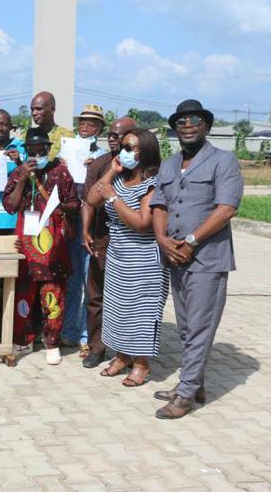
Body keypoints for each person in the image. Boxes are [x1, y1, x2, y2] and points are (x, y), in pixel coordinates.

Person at [150, 99, 243, 419]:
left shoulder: (223, 161)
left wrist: (191, 241)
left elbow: (226, 208)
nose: (187, 127)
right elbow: (159, 203)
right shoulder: (170, 164)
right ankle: (195, 384)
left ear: (206, 126)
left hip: (207, 259)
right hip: (175, 258)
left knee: (201, 327)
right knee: (188, 328)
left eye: (194, 122)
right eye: (181, 123)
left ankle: (186, 395)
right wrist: (162, 240)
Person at [87, 129, 168, 387]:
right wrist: (112, 172)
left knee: (141, 313)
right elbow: (91, 199)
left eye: (129, 147)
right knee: (118, 309)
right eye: (122, 146)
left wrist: (114, 197)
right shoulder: (120, 179)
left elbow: (143, 223)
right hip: (119, 255)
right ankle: (122, 356)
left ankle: (141, 362)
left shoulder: (152, 183)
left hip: (144, 259)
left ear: (145, 152)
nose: (123, 151)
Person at [3, 127, 79, 365]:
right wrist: (23, 177)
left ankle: (52, 342)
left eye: (42, 149)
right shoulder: (18, 173)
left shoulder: (61, 172)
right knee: (24, 293)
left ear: (48, 149)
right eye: (33, 150)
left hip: (53, 240)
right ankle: (23, 339)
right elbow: (10, 206)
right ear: (26, 152)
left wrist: (59, 206)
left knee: (53, 293)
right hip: (25, 240)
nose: (38, 153)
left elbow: (75, 204)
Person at [80, 116, 136, 368]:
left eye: (118, 135)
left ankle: (130, 350)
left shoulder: (143, 167)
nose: (112, 139)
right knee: (96, 295)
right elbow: (88, 202)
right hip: (102, 239)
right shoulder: (100, 164)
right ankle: (97, 346)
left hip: (134, 242)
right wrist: (85, 230)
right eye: (110, 135)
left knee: (129, 298)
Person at [60, 104, 108, 357]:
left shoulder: (103, 154)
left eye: (92, 123)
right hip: (69, 217)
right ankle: (67, 331)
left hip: (91, 220)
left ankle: (84, 334)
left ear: (100, 127)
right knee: (71, 275)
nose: (86, 127)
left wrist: (96, 166)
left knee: (89, 275)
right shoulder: (66, 148)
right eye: (83, 122)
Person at [27, 91, 73, 160]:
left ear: (52, 109)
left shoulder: (67, 137)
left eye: (39, 109)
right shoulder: (28, 135)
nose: (34, 113)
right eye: (32, 109)